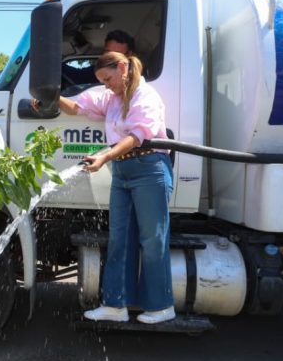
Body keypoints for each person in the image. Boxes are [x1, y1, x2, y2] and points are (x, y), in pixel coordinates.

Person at [32, 30, 176, 324]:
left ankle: (161, 307)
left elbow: (137, 137)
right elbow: (77, 107)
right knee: (119, 239)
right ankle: (115, 305)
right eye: (102, 83)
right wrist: (51, 97)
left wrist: (105, 155)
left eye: (107, 80)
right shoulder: (112, 98)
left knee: (152, 240)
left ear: (122, 68)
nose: (106, 87)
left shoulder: (143, 95)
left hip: (149, 169)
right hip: (123, 171)